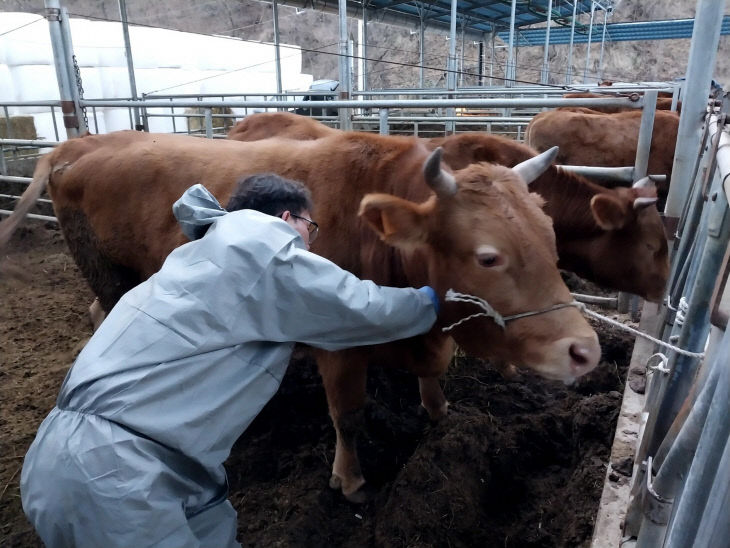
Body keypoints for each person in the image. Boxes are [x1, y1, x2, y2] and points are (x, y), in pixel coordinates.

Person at [20, 173, 440, 548]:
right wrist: (434, 298)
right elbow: (361, 308)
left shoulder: (196, 256)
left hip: (69, 456)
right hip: (117, 475)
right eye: (310, 227)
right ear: (289, 218)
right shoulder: (264, 252)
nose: (311, 240)